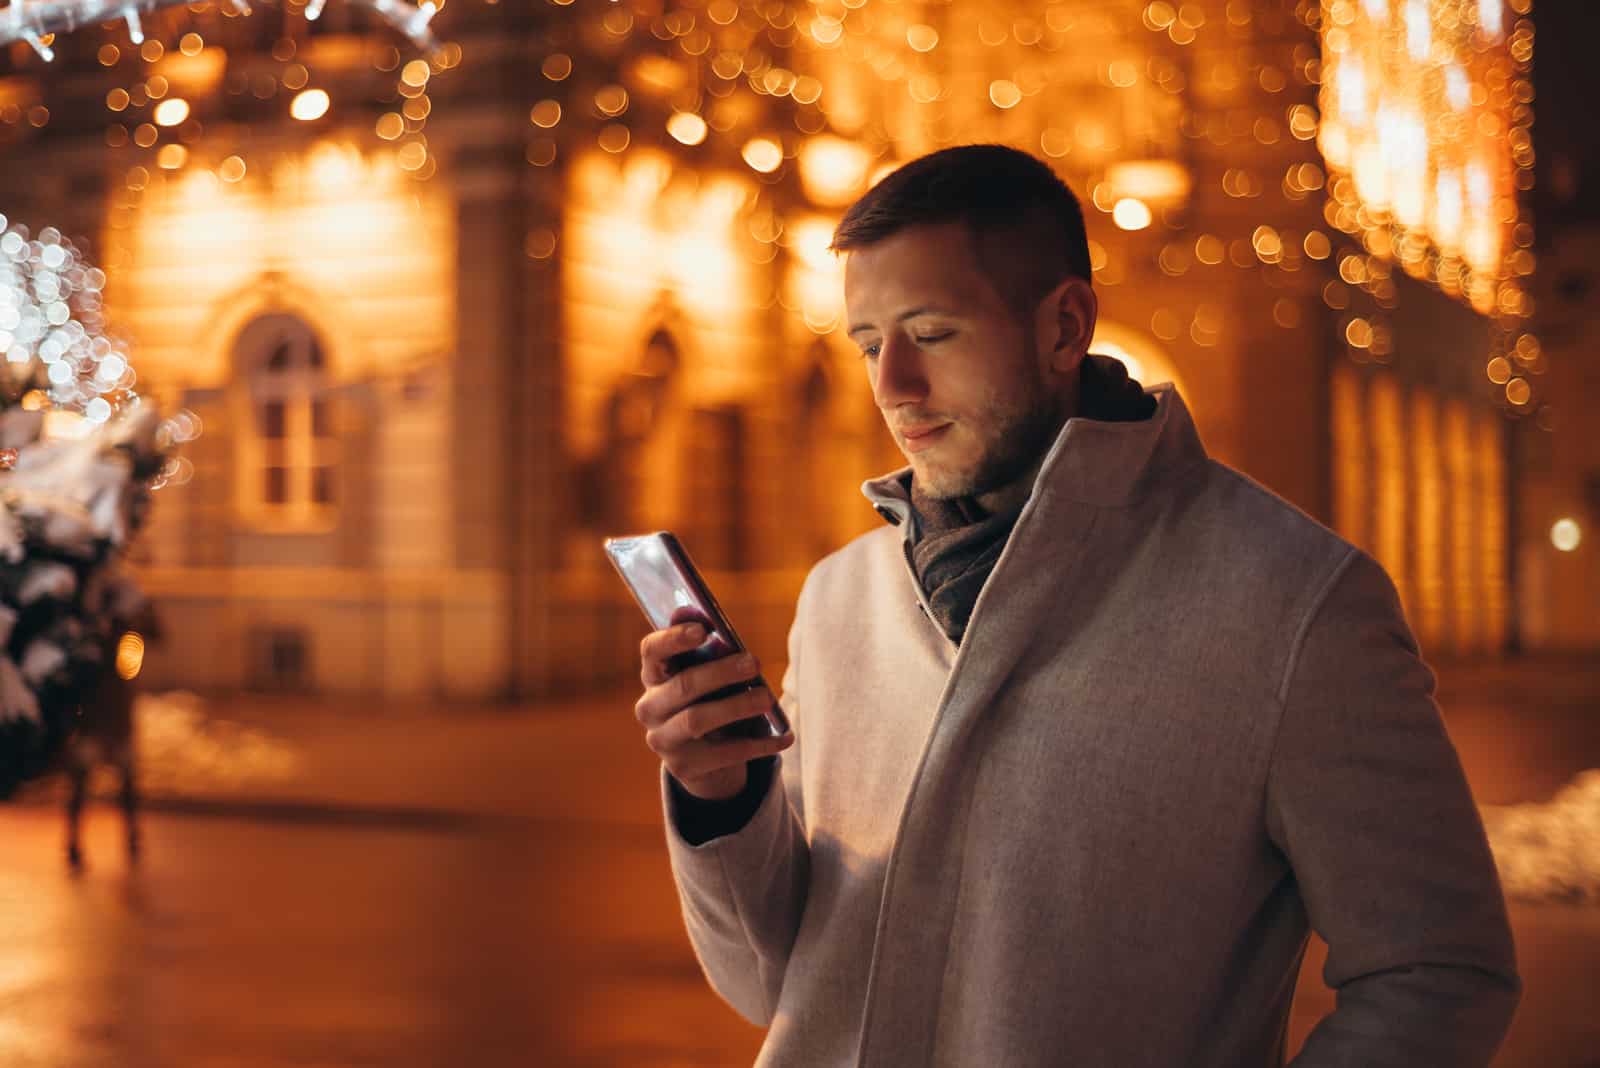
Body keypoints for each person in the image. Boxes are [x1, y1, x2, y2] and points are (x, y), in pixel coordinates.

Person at [630, 144, 1519, 1067]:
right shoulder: (840, 598)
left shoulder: (1294, 602)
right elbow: (768, 983)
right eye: (868, 343)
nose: (891, 385)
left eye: (931, 334)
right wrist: (717, 796)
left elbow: (1438, 972)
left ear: (1064, 328)